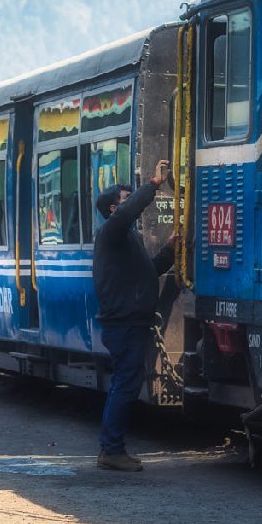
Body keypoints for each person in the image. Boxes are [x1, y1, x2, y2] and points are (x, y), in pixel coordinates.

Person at [92, 159, 178, 472]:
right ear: (114, 209)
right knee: (125, 385)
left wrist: (169, 251)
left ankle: (112, 448)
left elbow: (148, 272)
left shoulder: (127, 240)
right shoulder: (112, 232)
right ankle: (111, 450)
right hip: (124, 324)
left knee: (125, 384)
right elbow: (130, 212)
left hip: (131, 322)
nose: (130, 204)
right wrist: (153, 184)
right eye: (126, 199)